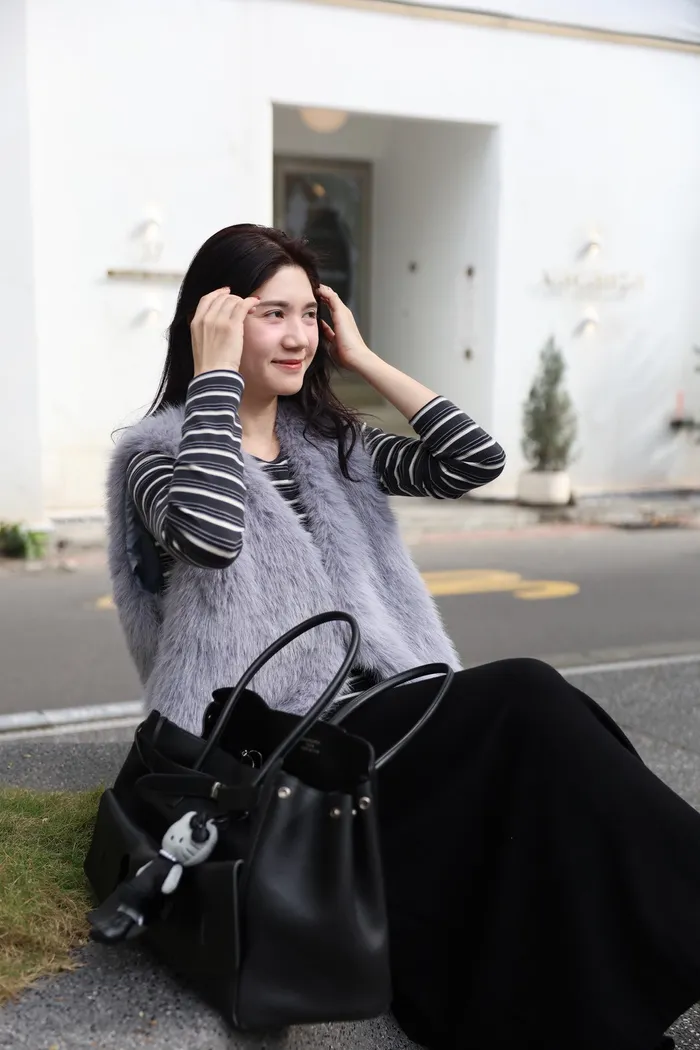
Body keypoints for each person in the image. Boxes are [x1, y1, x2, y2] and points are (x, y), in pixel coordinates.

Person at [107, 224, 697, 1050]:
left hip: (386, 715)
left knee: (555, 767)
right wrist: (211, 380)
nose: (298, 335)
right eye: (271, 314)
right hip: (269, 747)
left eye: (309, 315)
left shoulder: (332, 446)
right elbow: (207, 534)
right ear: (215, 320)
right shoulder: (157, 455)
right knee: (528, 698)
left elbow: (474, 462)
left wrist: (364, 359)